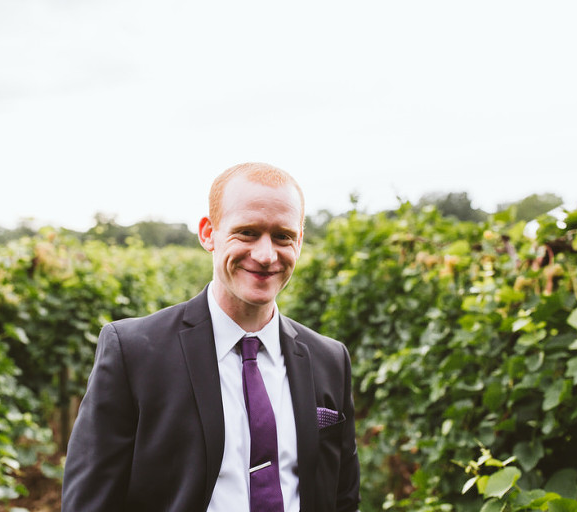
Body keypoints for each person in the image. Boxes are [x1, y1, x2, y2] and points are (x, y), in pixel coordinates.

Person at [62, 162, 360, 512]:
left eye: (283, 236)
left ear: (300, 242)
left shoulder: (330, 360)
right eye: (247, 233)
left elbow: (343, 499)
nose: (266, 255)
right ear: (208, 233)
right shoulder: (134, 353)